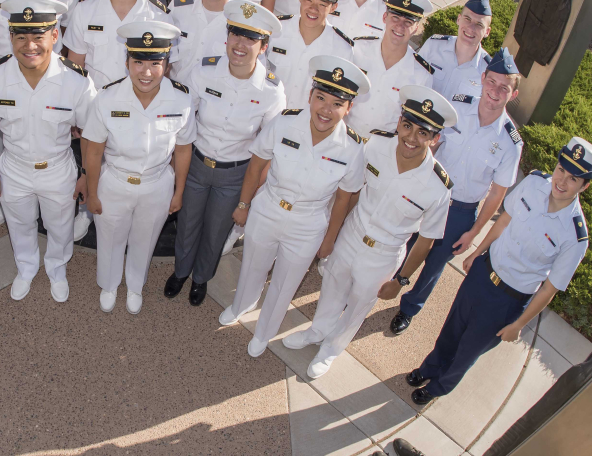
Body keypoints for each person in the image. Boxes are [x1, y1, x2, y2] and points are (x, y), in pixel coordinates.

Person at [408, 137, 592, 405]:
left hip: (508, 300)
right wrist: (477, 253)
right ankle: (429, 368)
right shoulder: (534, 183)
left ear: (585, 185)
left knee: (468, 351)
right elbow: (504, 221)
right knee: (452, 328)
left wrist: (519, 325)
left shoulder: (574, 236)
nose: (562, 182)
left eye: (573, 179)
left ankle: (438, 387)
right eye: (561, 170)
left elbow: (549, 289)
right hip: (483, 273)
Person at [284, 86, 456, 379]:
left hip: (384, 254)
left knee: (358, 306)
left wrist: (401, 279)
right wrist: (334, 234)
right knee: (332, 288)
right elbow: (350, 189)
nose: (411, 138)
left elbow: (426, 240)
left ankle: (332, 349)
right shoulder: (376, 144)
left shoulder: (438, 187)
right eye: (407, 126)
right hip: (352, 233)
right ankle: (317, 331)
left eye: (423, 133)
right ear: (399, 123)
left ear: (435, 139)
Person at [218, 56, 370, 357]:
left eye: (337, 103)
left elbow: (344, 198)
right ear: (310, 97)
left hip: (308, 223)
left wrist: (329, 240)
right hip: (268, 207)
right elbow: (256, 165)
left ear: (349, 108)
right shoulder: (285, 122)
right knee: (252, 266)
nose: (326, 109)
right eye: (321, 98)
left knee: (286, 283)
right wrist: (244, 205)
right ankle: (241, 304)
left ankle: (265, 330)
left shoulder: (353, 148)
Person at [389, 48, 523, 335]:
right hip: (429, 194)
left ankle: (409, 308)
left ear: (513, 95)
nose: (495, 92)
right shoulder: (457, 108)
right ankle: (384, 280)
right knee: (403, 241)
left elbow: (497, 194)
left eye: (504, 88)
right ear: (483, 78)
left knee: (434, 265)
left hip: (461, 211)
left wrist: (474, 233)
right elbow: (432, 145)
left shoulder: (511, 143)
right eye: (492, 82)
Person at [0, 0, 97, 303]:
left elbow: (91, 134)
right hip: (14, 168)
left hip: (57, 169)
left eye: (38, 37)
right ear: (10, 37)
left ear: (54, 36)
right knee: (19, 224)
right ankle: (26, 267)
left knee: (60, 226)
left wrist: (86, 174)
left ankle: (57, 267)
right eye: (21, 37)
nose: (30, 46)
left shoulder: (76, 82)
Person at [165, 0, 286, 307]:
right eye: (236, 34)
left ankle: (201, 278)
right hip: (196, 163)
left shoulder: (271, 91)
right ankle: (180, 272)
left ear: (264, 46)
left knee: (217, 230)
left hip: (235, 174)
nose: (240, 44)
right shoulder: (204, 71)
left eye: (251, 38)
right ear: (227, 36)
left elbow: (269, 148)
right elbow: (183, 118)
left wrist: (251, 195)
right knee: (188, 223)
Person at [80, 21, 194, 314]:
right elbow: (93, 152)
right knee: (109, 236)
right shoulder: (107, 98)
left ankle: (134, 286)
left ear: (167, 64)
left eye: (155, 63)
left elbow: (183, 149)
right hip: (115, 181)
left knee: (145, 239)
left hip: (157, 184)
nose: (146, 72)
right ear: (126, 61)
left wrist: (179, 192)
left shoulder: (181, 100)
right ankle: (108, 284)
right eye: (138, 62)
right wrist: (92, 193)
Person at [338, 0, 436, 137]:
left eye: (408, 22)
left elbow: (414, 123)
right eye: (395, 18)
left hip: (383, 150)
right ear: (384, 17)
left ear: (416, 28)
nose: (400, 26)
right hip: (345, 137)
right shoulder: (358, 49)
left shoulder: (421, 74)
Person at [266, 0, 352, 106]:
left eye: (322, 4)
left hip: (305, 124)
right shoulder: (276, 30)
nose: (313, 9)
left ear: (334, 7)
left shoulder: (342, 49)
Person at [420, 0, 494, 103]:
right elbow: (411, 77)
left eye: (479, 24)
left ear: (487, 32)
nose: (471, 28)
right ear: (459, 19)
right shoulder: (434, 45)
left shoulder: (488, 70)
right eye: (467, 19)